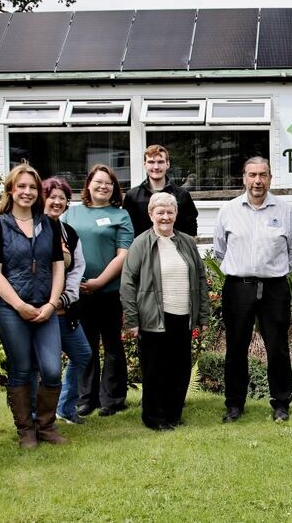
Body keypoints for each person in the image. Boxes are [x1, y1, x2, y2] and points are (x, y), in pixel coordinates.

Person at [213, 157, 292, 423]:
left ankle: (281, 403)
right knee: (236, 348)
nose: (257, 181)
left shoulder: (285, 210)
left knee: (277, 347)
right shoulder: (228, 210)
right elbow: (220, 251)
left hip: (274, 288)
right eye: (252, 175)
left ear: (270, 178)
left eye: (263, 175)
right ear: (243, 178)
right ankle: (234, 405)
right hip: (238, 288)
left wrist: (271, 272)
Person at [0, 164, 67, 448]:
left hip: (46, 307)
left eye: (32, 187)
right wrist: (19, 305)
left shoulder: (50, 224)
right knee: (22, 368)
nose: (27, 192)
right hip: (11, 310)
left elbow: (58, 267)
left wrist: (52, 303)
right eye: (21, 186)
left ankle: (46, 426)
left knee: (52, 369)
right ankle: (26, 430)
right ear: (11, 189)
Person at [120, 192, 210, 430]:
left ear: (176, 214)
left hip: (183, 317)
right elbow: (128, 282)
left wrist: (203, 316)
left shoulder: (187, 243)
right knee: (155, 371)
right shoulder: (141, 243)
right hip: (153, 318)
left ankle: (173, 415)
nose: (165, 216)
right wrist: (131, 319)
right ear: (151, 214)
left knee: (180, 370)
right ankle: (154, 418)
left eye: (170, 212)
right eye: (160, 212)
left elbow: (200, 278)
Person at [62, 164, 134, 417]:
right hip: (77, 292)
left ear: (114, 188)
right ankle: (86, 398)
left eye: (109, 183)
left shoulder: (120, 216)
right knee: (86, 345)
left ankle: (112, 399)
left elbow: (123, 254)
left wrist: (99, 281)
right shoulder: (71, 214)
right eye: (98, 181)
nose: (103, 186)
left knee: (113, 344)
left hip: (109, 292)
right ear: (89, 184)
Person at [39, 177, 93, 424]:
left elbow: (78, 266)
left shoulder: (68, 233)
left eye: (62, 198)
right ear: (43, 198)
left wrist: (64, 298)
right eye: (52, 197)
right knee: (42, 367)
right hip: (37, 312)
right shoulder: (31, 229)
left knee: (83, 355)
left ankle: (65, 408)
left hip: (64, 311)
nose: (57, 202)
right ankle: (35, 418)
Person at [124, 144, 199, 237]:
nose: (156, 167)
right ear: (145, 165)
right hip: (143, 250)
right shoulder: (132, 196)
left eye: (160, 162)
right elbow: (127, 230)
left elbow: (190, 230)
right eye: (151, 162)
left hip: (175, 249)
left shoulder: (182, 195)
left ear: (167, 164)